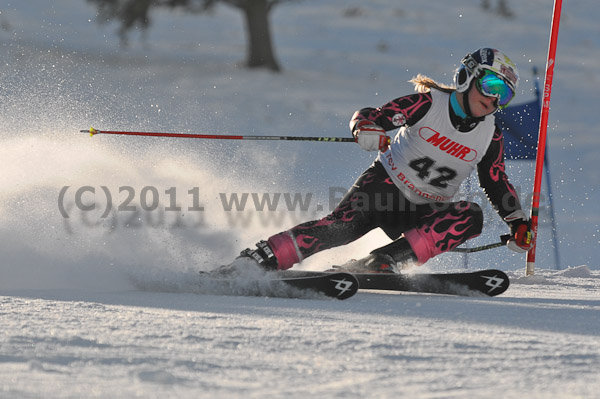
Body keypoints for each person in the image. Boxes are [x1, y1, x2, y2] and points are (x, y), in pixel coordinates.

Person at [235, 47, 535, 273]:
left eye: (504, 95)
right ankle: (260, 258)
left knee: (470, 217)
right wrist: (366, 128)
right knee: (339, 229)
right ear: (467, 76)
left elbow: (495, 181)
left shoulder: (490, 134)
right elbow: (372, 115)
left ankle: (383, 261)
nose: (495, 100)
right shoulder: (428, 103)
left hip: (426, 209)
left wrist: (518, 221)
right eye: (491, 87)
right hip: (383, 189)